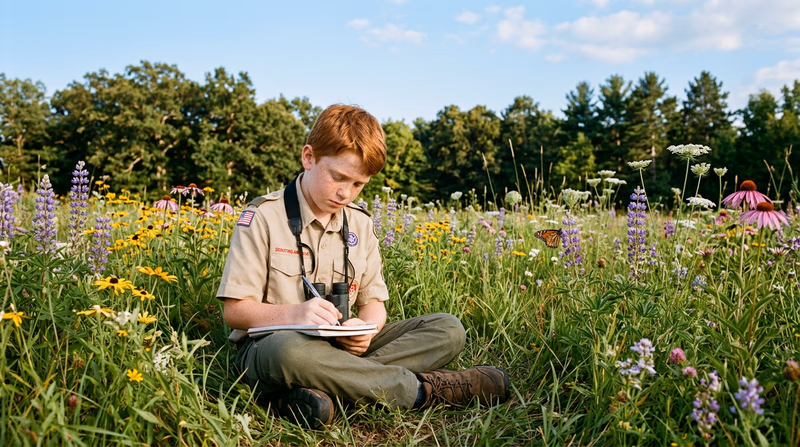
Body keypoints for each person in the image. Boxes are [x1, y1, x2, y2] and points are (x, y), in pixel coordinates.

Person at [216, 104, 510, 429]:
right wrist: (294, 314)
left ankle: (323, 395)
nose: (345, 192)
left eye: (358, 184)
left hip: (340, 348)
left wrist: (365, 330)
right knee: (289, 353)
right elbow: (235, 310)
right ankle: (421, 391)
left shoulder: (360, 222)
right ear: (309, 157)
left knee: (448, 328)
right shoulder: (263, 216)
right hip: (274, 345)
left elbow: (373, 305)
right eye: (338, 177)